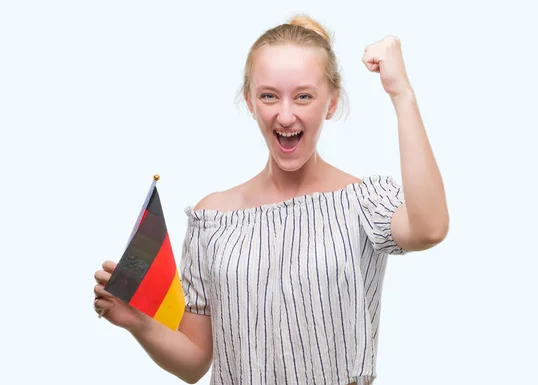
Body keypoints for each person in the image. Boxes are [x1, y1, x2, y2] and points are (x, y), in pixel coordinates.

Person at [93, 15, 448, 385]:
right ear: (250, 101)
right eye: (269, 96)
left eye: (304, 96)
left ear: (331, 103)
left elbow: (430, 228)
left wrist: (401, 94)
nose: (285, 114)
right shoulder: (212, 219)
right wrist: (138, 322)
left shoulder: (363, 203)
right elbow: (195, 362)